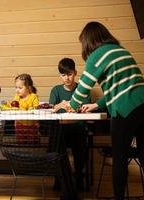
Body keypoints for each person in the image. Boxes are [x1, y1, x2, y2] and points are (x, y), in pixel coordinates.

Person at [62, 22, 144, 200]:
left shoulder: (97, 55)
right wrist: (97, 105)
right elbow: (123, 86)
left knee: (119, 157)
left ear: (88, 41)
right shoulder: (121, 51)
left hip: (127, 108)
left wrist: (72, 105)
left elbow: (83, 86)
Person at [49, 57, 91, 191]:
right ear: (60, 76)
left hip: (78, 127)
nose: (66, 78)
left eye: (69, 74)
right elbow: (50, 109)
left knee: (79, 146)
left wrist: (75, 107)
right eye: (63, 75)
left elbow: (86, 108)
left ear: (75, 73)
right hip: (61, 128)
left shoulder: (82, 89)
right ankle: (59, 179)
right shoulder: (56, 90)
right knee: (56, 143)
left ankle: (77, 179)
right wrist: (59, 105)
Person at [14, 73, 40, 143]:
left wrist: (30, 109)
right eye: (16, 87)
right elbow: (14, 107)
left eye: (20, 88)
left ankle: (37, 139)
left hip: (32, 124)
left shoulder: (33, 97)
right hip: (19, 123)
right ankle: (20, 152)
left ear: (28, 87)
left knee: (31, 142)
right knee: (20, 141)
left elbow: (36, 108)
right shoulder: (17, 97)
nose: (17, 90)